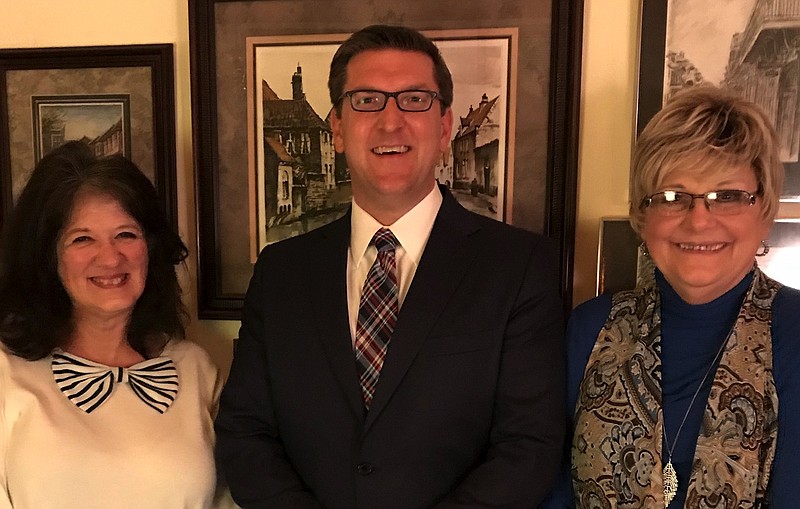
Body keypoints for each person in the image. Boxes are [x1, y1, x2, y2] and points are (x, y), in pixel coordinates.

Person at [215, 24, 565, 508]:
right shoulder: (281, 273)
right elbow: (245, 432)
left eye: (415, 100)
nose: (390, 121)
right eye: (366, 101)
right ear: (337, 129)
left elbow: (529, 447)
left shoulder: (520, 268)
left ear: (444, 128)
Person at [541, 85, 800, 508]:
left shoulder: (796, 331)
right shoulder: (588, 329)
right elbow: (551, 490)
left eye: (727, 196)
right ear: (644, 218)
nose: (699, 221)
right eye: (672, 197)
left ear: (765, 211)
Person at [0, 141, 226, 508]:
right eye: (82, 239)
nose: (110, 257)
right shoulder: (5, 373)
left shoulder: (197, 370)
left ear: (150, 249)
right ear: (46, 255)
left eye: (126, 234)